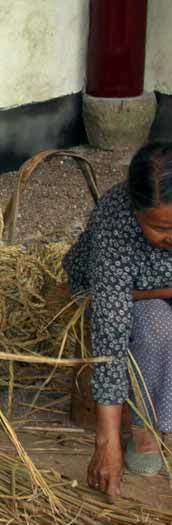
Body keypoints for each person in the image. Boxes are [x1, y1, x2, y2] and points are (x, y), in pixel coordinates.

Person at [64, 142, 172, 498]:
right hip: (114, 292)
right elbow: (110, 332)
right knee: (155, 321)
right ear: (136, 211)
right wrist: (106, 441)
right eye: (160, 228)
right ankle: (145, 430)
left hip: (159, 286)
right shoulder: (115, 219)